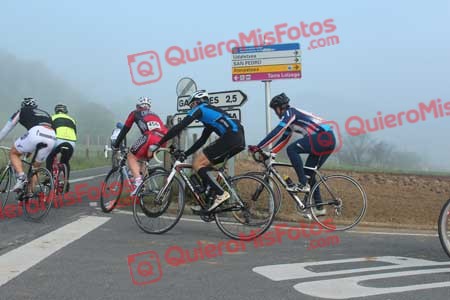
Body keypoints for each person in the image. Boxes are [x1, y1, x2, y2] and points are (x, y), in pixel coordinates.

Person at [149, 90, 246, 212]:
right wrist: (186, 154)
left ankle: (221, 194)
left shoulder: (200, 108)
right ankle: (209, 201)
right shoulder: (211, 116)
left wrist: (159, 143)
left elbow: (180, 126)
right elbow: (201, 141)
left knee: (197, 163)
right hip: (239, 140)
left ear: (196, 102)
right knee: (203, 166)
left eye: (191, 105)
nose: (191, 108)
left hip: (231, 136)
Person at [248, 93, 336, 216]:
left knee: (292, 149)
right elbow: (284, 138)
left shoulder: (290, 113)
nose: (276, 113)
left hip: (324, 138)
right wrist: (271, 153)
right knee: (309, 173)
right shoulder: (293, 119)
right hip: (327, 139)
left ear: (280, 107)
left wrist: (259, 146)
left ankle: (302, 184)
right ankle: (320, 207)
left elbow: (278, 130)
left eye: (275, 110)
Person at [112, 97, 168, 194]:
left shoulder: (135, 113)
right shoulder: (155, 114)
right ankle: (143, 187)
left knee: (131, 156)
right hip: (163, 140)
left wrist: (116, 145)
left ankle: (138, 183)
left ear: (138, 106)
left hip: (150, 136)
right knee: (143, 159)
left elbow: (125, 130)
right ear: (149, 107)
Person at [0, 98, 56, 192]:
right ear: (35, 106)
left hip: (36, 133)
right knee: (35, 168)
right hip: (52, 137)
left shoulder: (22, 111)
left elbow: (7, 128)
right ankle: (29, 194)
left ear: (23, 106)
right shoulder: (45, 113)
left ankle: (21, 177)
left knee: (14, 153)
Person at [45, 104, 77, 191]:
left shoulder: (52, 117)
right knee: (65, 161)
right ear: (65, 111)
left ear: (56, 111)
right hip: (72, 142)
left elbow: (49, 131)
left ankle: (49, 176)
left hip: (58, 140)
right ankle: (66, 182)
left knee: (50, 156)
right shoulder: (72, 119)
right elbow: (75, 132)